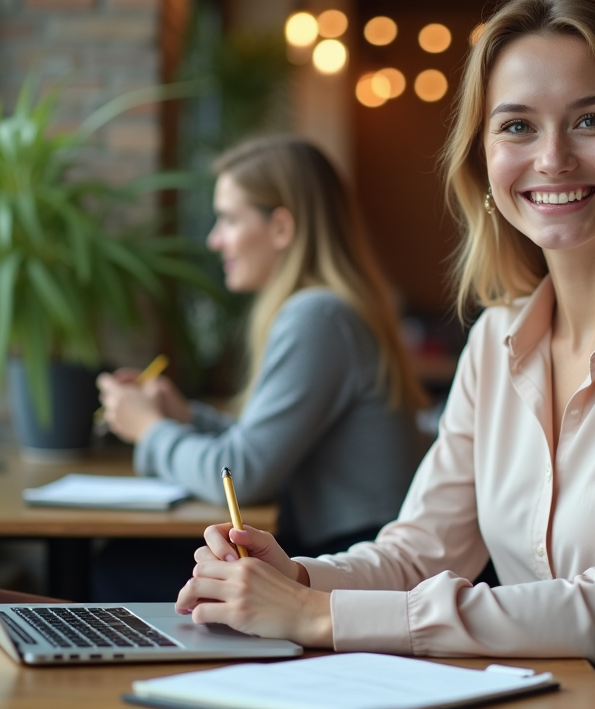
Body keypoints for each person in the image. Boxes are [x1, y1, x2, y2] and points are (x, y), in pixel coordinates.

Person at [177, 0, 595, 708]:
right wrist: (300, 578)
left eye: (590, 120)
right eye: (517, 127)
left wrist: (319, 616)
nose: (553, 159)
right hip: (545, 688)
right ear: (483, 160)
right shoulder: (497, 340)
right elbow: (419, 553)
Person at [94, 135, 427, 597]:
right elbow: (263, 444)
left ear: (281, 229)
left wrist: (149, 430)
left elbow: (244, 475)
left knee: (120, 567)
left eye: (229, 218)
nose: (215, 239)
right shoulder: (331, 307)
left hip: (353, 565)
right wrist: (185, 417)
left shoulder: (318, 317)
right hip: (346, 551)